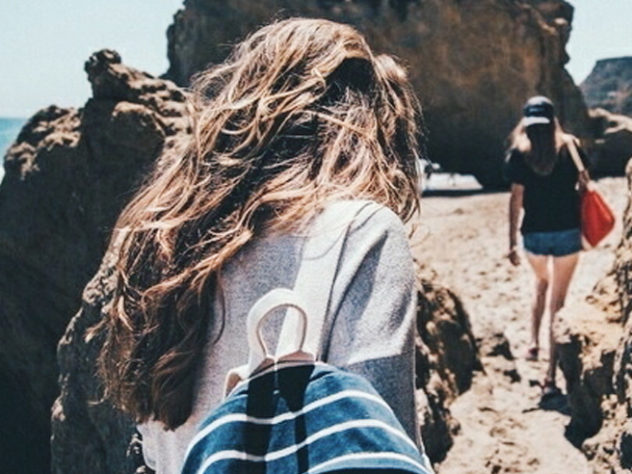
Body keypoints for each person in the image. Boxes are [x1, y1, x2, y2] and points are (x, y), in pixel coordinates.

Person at [92, 18, 432, 473]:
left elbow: (155, 443)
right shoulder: (363, 233)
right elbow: (379, 442)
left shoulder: (161, 236)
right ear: (366, 121)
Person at [506, 96, 589, 396]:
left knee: (541, 283)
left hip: (535, 237)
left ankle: (533, 342)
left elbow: (515, 200)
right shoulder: (570, 146)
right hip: (567, 233)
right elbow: (585, 184)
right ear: (554, 121)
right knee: (558, 303)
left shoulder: (519, 153)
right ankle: (550, 375)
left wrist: (511, 242)